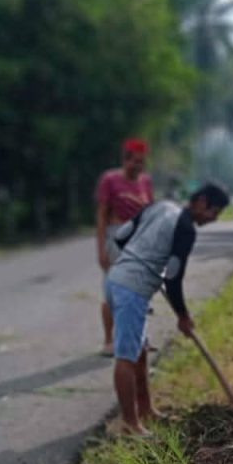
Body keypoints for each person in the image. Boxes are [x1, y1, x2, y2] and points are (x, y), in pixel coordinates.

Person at [106, 183, 230, 436]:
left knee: (139, 350)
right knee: (127, 356)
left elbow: (120, 238)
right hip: (132, 288)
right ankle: (130, 424)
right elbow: (173, 278)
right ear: (202, 202)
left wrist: (139, 259)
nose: (213, 219)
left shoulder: (160, 206)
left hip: (118, 279)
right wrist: (183, 316)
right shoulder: (185, 228)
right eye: (214, 212)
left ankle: (146, 409)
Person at [96, 138, 155, 355]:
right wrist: (101, 249)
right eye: (135, 162)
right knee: (112, 291)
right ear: (126, 160)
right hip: (115, 237)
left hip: (140, 241)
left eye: (142, 162)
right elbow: (102, 215)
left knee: (140, 292)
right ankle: (108, 340)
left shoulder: (146, 182)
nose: (138, 166)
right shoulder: (110, 180)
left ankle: (140, 337)